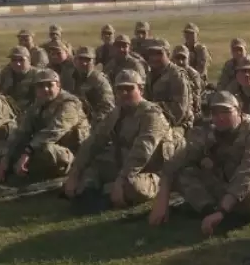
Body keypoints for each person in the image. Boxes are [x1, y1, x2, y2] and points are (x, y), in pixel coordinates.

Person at [149, 91, 250, 233]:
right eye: (215, 113)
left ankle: (221, 214)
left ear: (238, 111)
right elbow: (176, 161)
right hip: (225, 184)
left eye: (226, 111)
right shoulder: (210, 131)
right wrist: (162, 199)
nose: (220, 117)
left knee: (248, 193)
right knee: (185, 173)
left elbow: (247, 174)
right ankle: (209, 211)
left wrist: (222, 210)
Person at [61, 70, 176, 212]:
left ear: (140, 89)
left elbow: (142, 152)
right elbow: (94, 141)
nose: (124, 93)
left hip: (153, 170)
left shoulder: (152, 115)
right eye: (120, 89)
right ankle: (91, 193)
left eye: (129, 89)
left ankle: (102, 194)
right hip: (123, 163)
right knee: (92, 169)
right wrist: (75, 172)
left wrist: (121, 180)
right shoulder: (117, 112)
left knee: (133, 187)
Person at [0, 68, 89, 186]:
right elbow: (22, 132)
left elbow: (54, 131)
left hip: (74, 154)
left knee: (45, 149)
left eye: (49, 85)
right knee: (4, 146)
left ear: (58, 85)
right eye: (41, 86)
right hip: (46, 147)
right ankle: (9, 170)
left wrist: (27, 153)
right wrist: (5, 159)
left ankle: (25, 175)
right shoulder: (38, 104)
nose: (45, 89)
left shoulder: (70, 104)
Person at [69, 46, 116, 127]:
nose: (84, 63)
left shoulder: (99, 81)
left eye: (88, 60)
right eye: (81, 59)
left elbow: (108, 108)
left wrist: (92, 123)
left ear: (93, 62)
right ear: (75, 61)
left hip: (94, 123)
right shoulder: (71, 77)